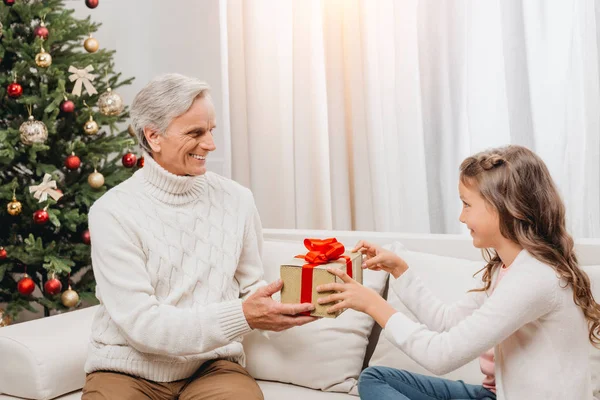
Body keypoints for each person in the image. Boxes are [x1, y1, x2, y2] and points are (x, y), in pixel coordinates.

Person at [81, 73, 316, 400]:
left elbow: (251, 286)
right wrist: (244, 315)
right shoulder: (112, 211)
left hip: (212, 366)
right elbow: (143, 326)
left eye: (211, 130)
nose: (210, 144)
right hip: (127, 370)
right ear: (153, 136)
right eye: (195, 132)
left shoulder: (237, 200)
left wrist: (298, 298)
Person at [316, 145, 599, 399]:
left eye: (467, 205)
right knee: (376, 378)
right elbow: (447, 322)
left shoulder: (535, 277)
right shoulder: (507, 269)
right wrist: (400, 270)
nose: (461, 217)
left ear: (506, 209)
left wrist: (372, 304)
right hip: (495, 394)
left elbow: (441, 355)